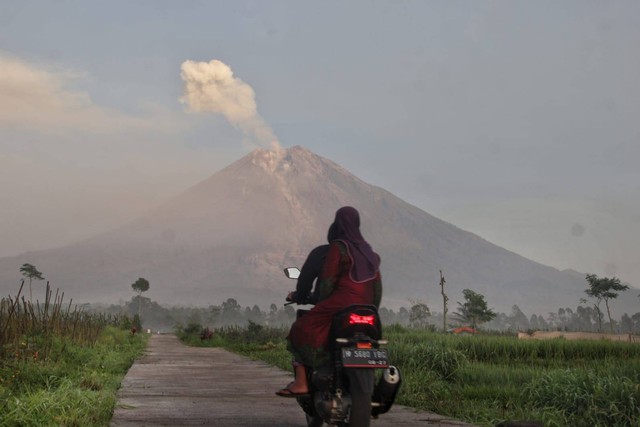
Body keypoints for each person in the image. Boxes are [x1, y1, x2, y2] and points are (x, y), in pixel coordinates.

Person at [276, 206, 382, 397]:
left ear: (337, 224)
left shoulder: (338, 247)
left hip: (340, 304)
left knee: (300, 328)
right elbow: (377, 288)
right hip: (368, 310)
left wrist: (320, 301)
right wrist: (372, 310)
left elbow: (327, 282)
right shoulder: (369, 253)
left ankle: (301, 382)